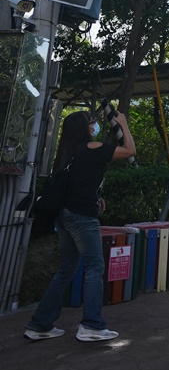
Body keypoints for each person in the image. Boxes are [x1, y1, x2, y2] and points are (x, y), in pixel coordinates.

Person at [24, 108, 136, 342]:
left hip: (64, 216)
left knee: (66, 269)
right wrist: (123, 124)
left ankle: (39, 324)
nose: (94, 124)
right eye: (90, 121)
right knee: (95, 267)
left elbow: (78, 183)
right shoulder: (90, 148)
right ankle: (91, 325)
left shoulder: (69, 152)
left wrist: (96, 196)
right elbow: (129, 151)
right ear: (82, 128)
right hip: (82, 217)